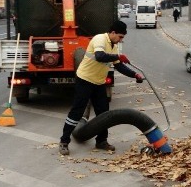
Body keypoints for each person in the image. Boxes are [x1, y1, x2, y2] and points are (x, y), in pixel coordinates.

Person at [59, 20, 144, 156]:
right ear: (113, 32)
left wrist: (135, 75)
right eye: (120, 37)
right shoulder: (100, 39)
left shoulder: (114, 46)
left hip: (99, 83)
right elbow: (99, 56)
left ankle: (101, 141)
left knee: (104, 114)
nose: (121, 40)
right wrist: (118, 56)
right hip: (85, 80)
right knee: (77, 111)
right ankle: (64, 142)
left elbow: (119, 66)